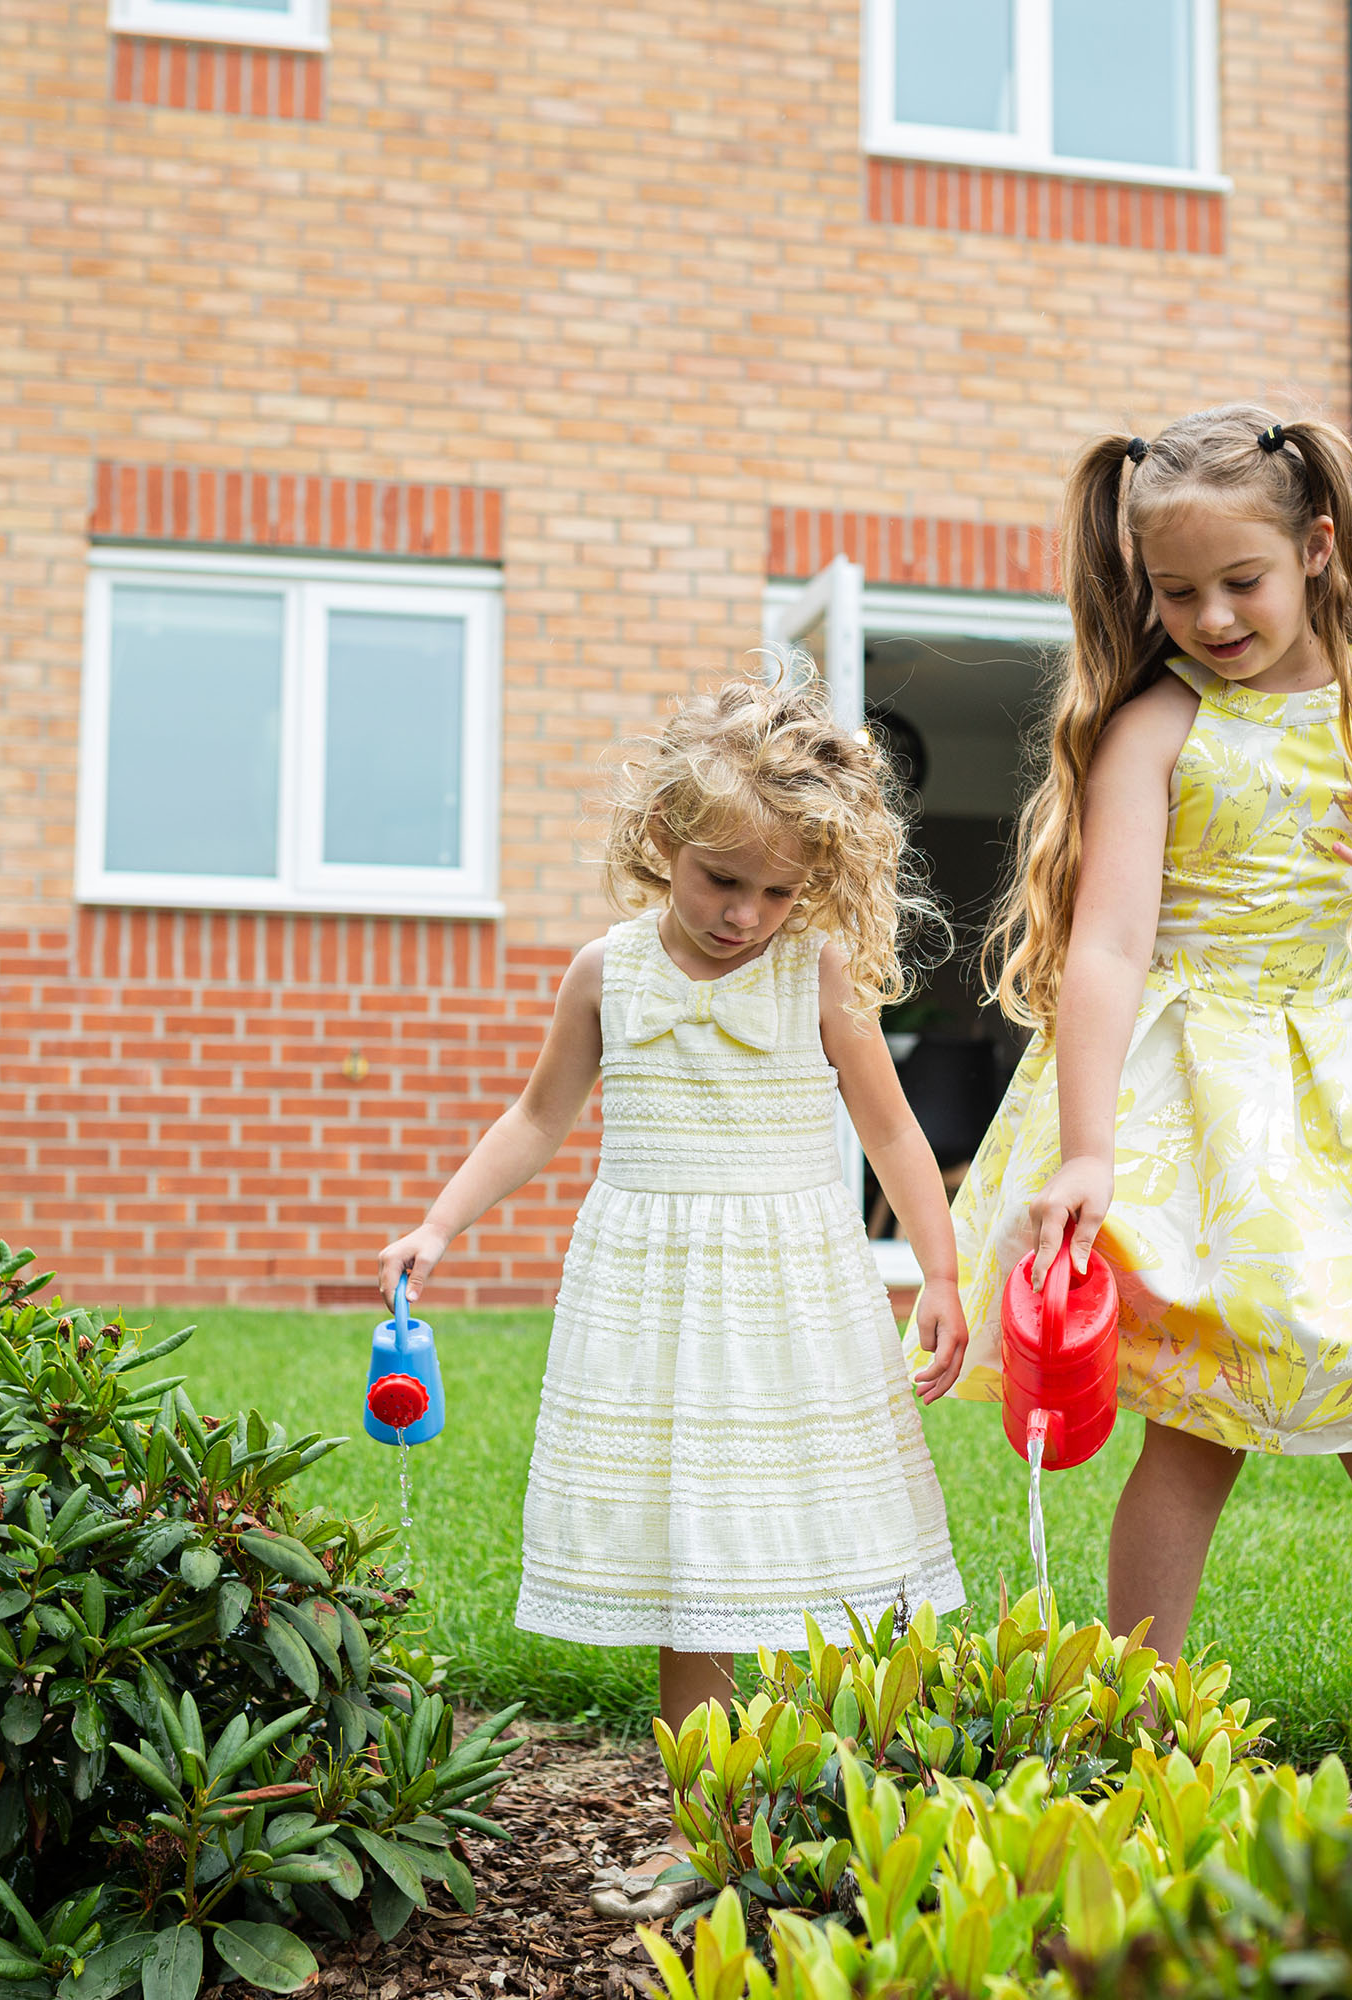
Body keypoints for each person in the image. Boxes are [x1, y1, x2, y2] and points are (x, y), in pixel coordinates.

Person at [942, 404, 1352, 1782]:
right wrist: (1086, 1151)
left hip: (1339, 1085)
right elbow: (1106, 946)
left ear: (1318, 549)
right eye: (1176, 590)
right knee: (1196, 1419)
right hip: (1189, 1097)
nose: (1211, 615)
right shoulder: (1159, 727)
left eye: (1242, 583)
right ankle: (1136, 1727)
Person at [377, 666, 969, 1917]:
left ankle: (853, 1801)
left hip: (791, 1294)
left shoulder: (812, 976)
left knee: (825, 1543)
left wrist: (943, 1273)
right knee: (689, 1563)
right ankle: (701, 1830)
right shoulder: (607, 973)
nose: (744, 912)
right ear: (663, 842)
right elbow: (539, 1116)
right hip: (654, 1302)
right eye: (721, 880)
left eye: (775, 889)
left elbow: (899, 1137)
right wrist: (440, 1221)